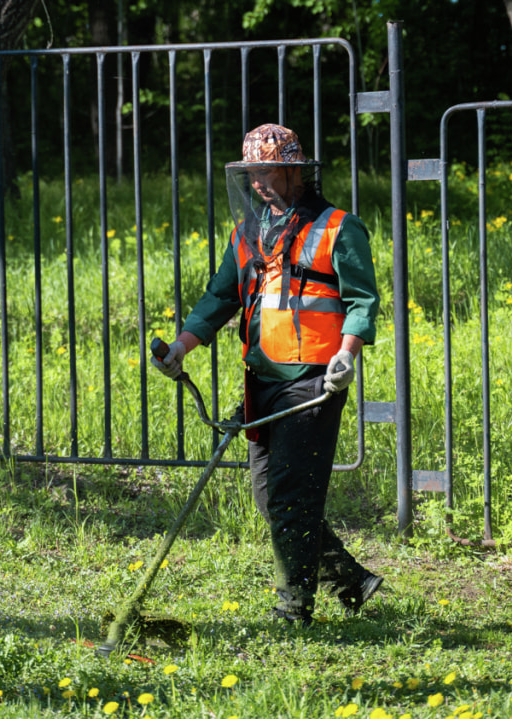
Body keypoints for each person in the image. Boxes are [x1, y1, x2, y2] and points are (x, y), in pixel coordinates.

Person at [151, 124, 383, 626]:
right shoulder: (250, 232)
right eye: (250, 172)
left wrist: (348, 352)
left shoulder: (339, 228)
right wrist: (182, 347)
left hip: (315, 380)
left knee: (290, 494)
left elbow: (362, 299)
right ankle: (349, 578)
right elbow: (220, 297)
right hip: (263, 380)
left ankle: (293, 608)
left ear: (293, 170)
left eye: (266, 170)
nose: (257, 181)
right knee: (268, 492)